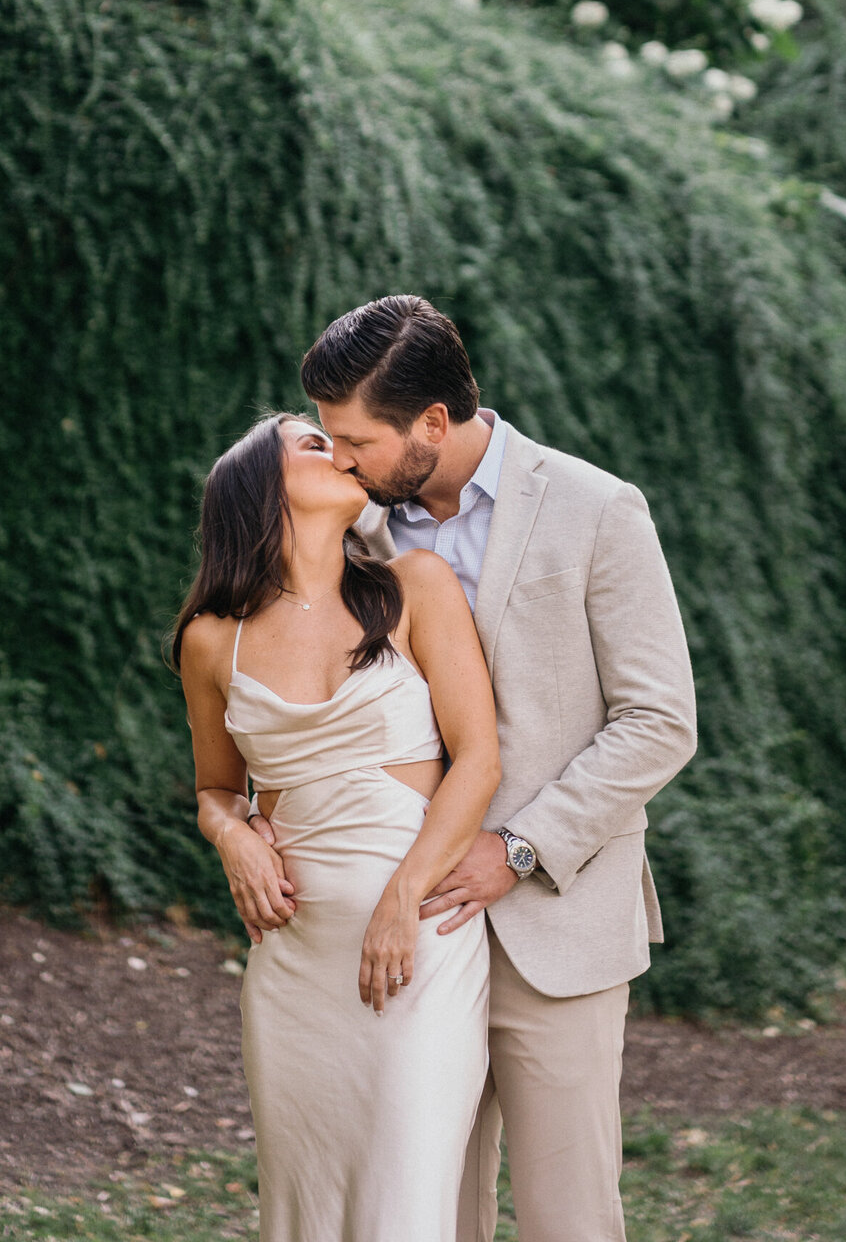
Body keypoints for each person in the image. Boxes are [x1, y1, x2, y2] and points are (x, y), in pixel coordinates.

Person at [252, 296, 697, 1242]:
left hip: (553, 918)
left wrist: (522, 847)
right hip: (398, 923)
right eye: (326, 440)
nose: (339, 459)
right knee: (423, 1212)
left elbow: (659, 721)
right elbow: (303, 690)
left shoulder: (595, 507)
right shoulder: (355, 527)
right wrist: (248, 818)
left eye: (355, 439)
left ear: (434, 423)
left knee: (566, 1218)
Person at [172, 411, 502, 1242]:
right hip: (295, 968)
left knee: (406, 1199)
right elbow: (215, 787)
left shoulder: (415, 588)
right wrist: (235, 834)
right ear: (259, 487)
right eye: (314, 443)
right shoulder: (213, 641)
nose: (345, 453)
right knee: (309, 1210)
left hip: (420, 942)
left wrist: (402, 900)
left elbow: (478, 762)